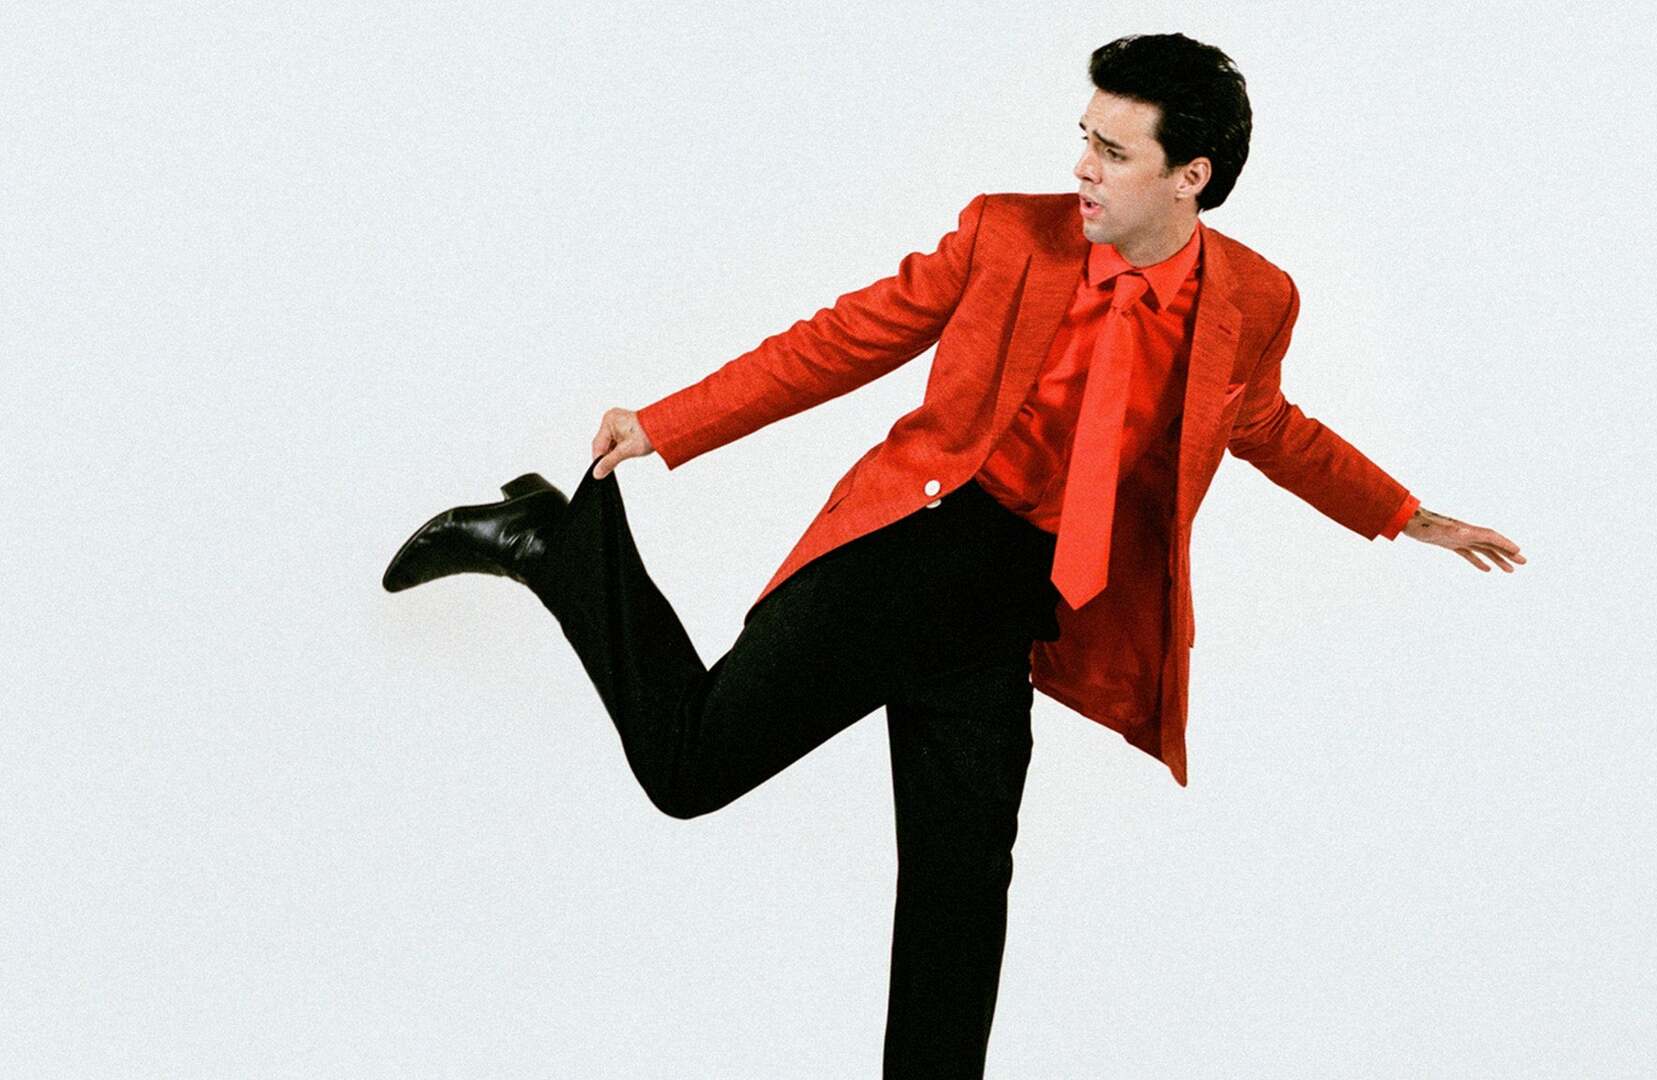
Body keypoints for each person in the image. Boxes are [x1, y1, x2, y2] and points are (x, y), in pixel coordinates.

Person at [383, 31, 1524, 1079]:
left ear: (1193, 177)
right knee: (688, 770)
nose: (1081, 166)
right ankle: (559, 544)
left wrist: (1406, 515)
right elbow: (845, 339)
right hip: (908, 554)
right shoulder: (1006, 235)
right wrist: (673, 422)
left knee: (960, 898)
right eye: (1083, 136)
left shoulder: (1255, 299)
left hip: (1015, 603)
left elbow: (1265, 422)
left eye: (1113, 151)